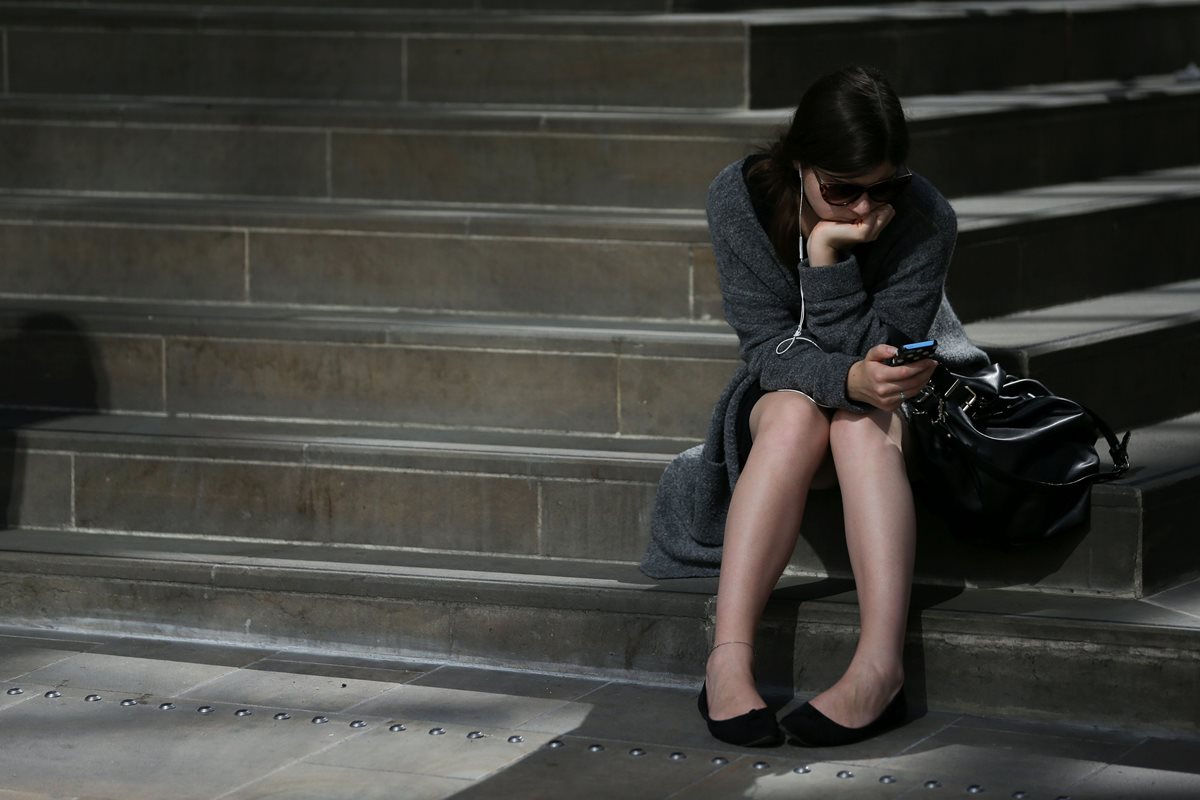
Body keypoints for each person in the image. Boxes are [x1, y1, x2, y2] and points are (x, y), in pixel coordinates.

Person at [641, 64, 990, 748]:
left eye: (881, 188)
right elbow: (767, 349)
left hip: (899, 404)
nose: (863, 209)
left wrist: (829, 267)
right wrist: (825, 264)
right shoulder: (738, 200)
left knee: (861, 428)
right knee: (796, 411)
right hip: (788, 397)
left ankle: (879, 671)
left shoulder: (923, 219)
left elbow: (884, 358)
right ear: (798, 162)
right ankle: (729, 662)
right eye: (841, 190)